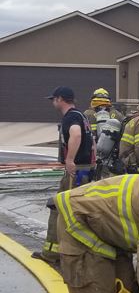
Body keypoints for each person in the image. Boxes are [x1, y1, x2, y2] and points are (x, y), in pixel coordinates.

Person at [32, 86, 94, 264]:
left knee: (59, 208)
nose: (53, 102)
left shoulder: (71, 117)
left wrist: (70, 160)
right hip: (86, 169)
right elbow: (93, 143)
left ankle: (53, 254)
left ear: (60, 99)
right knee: (79, 210)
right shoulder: (82, 116)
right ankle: (79, 251)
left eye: (54, 99)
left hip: (76, 170)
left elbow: (76, 135)